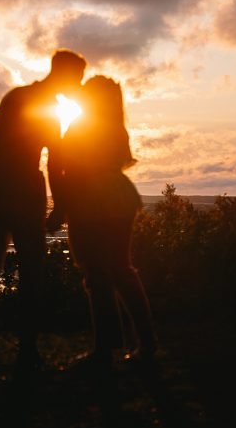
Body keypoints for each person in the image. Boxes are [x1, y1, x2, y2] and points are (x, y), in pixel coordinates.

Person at [0, 49, 87, 370]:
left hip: (2, 192)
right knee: (31, 273)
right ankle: (25, 349)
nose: (77, 86)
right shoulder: (44, 106)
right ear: (63, 74)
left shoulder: (18, 96)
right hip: (22, 194)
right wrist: (60, 204)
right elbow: (56, 162)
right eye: (76, 80)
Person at [48, 75, 157, 368]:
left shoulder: (83, 127)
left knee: (99, 275)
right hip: (118, 198)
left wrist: (61, 206)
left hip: (92, 202)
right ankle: (140, 345)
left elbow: (66, 167)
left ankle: (107, 350)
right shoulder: (116, 128)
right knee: (120, 272)